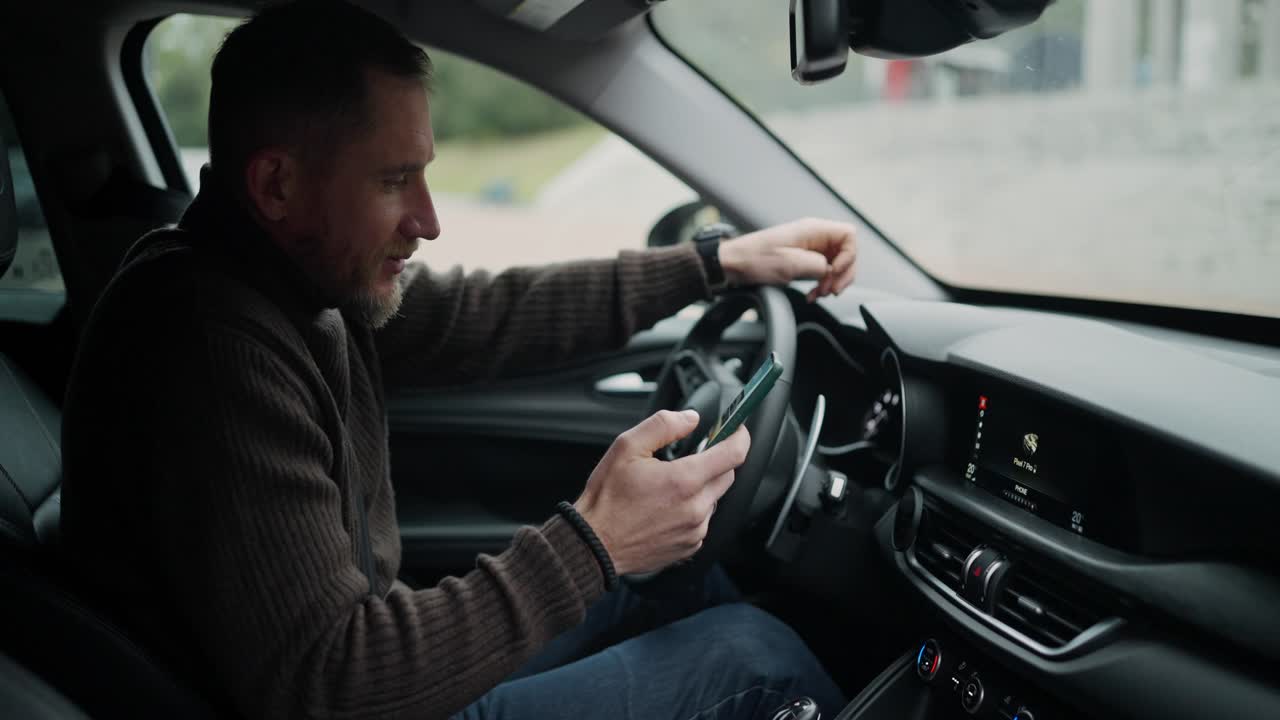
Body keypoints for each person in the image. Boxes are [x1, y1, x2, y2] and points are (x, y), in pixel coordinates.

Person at [60, 1, 857, 718]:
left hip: (363, 673)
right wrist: (596, 541)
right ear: (275, 184)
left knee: (679, 586)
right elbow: (329, 682)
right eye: (396, 180)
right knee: (758, 661)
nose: (430, 219)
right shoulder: (215, 346)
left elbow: (488, 314)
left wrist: (714, 263)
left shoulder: (297, 280)